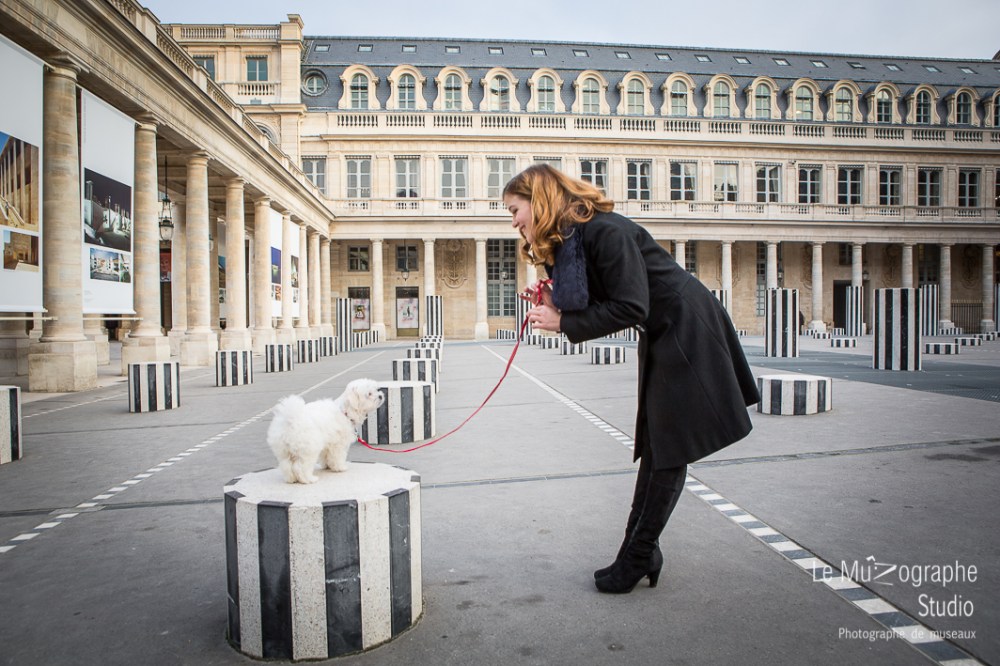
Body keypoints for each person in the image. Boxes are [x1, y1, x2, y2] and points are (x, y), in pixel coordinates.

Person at [503, 164, 760, 594]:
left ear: (540, 201)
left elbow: (630, 306)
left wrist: (563, 320)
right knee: (659, 443)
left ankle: (638, 554)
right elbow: (609, 295)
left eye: (515, 209)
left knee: (669, 446)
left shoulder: (605, 232)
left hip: (685, 327)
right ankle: (638, 551)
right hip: (666, 330)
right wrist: (553, 299)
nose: (513, 221)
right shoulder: (579, 236)